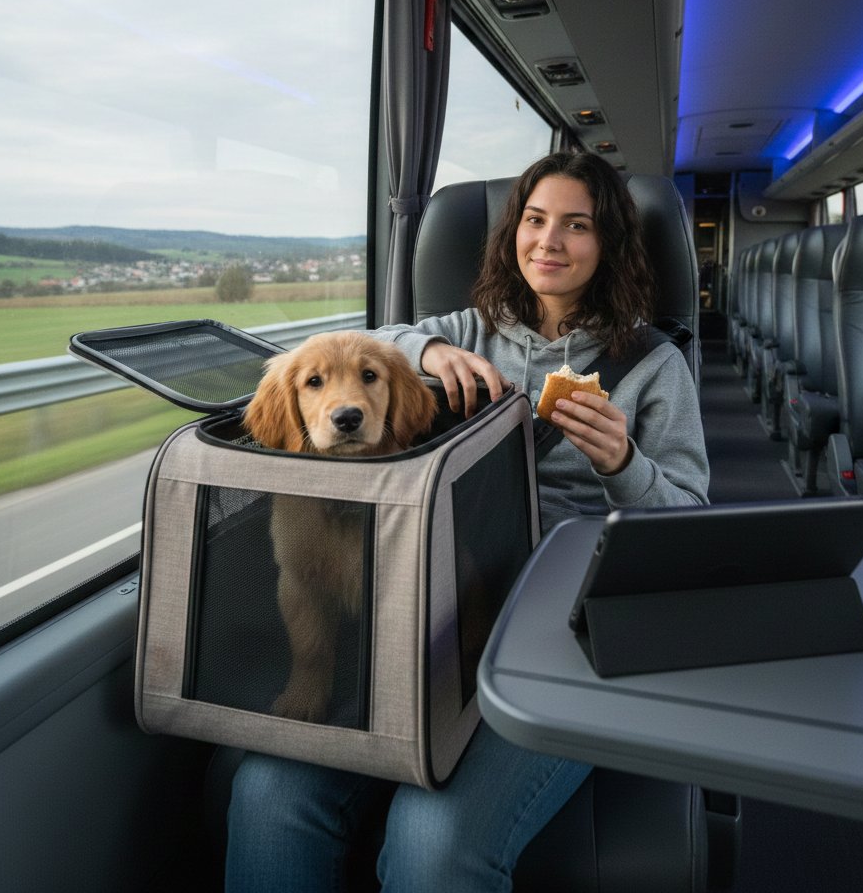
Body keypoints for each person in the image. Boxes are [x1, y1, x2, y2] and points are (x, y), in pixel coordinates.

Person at [225, 151, 710, 892]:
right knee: (267, 796)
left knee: (433, 841)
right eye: (534, 220)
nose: (548, 241)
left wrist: (625, 465)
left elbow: (693, 533)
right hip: (433, 617)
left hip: (565, 632)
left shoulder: (653, 365)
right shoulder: (466, 329)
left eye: (576, 226)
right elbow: (378, 341)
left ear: (607, 243)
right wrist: (431, 346)